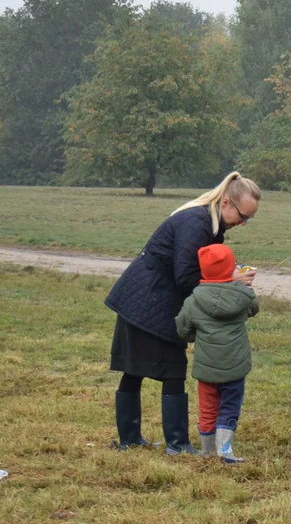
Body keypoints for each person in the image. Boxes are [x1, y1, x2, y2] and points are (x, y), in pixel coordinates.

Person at [106, 172, 260, 454]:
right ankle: (176, 445)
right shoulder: (197, 223)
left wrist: (227, 275)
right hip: (148, 298)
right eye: (243, 215)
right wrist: (231, 282)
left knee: (136, 368)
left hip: (149, 296)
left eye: (249, 218)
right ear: (226, 202)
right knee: (170, 369)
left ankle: (132, 439)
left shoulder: (210, 222)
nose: (244, 223)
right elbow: (186, 276)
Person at [176, 243, 259, 464]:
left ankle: (208, 451)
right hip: (235, 366)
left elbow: (183, 328)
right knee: (230, 406)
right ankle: (225, 451)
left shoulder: (193, 300)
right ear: (231, 269)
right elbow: (254, 309)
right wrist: (244, 287)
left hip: (206, 367)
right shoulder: (242, 296)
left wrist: (195, 336)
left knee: (208, 408)